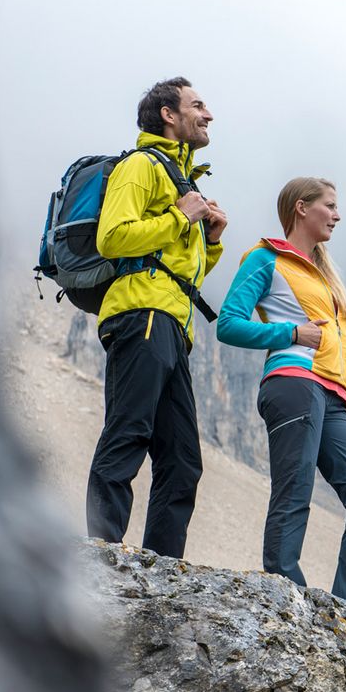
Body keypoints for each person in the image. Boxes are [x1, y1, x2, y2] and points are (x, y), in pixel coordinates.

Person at [215, 178, 346, 616]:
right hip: (293, 383)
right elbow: (228, 324)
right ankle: (285, 594)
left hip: (331, 395)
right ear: (301, 208)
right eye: (329, 205)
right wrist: (290, 332)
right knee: (294, 490)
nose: (337, 214)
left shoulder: (324, 276)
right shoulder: (265, 259)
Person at [85, 77, 228, 558]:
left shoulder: (183, 180)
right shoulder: (142, 166)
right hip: (141, 313)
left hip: (171, 321)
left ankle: (162, 571)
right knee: (129, 431)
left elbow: (184, 273)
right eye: (198, 105)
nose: (208, 115)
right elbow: (112, 237)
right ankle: (101, 554)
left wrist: (210, 241)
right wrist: (179, 218)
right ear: (169, 114)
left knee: (183, 459)